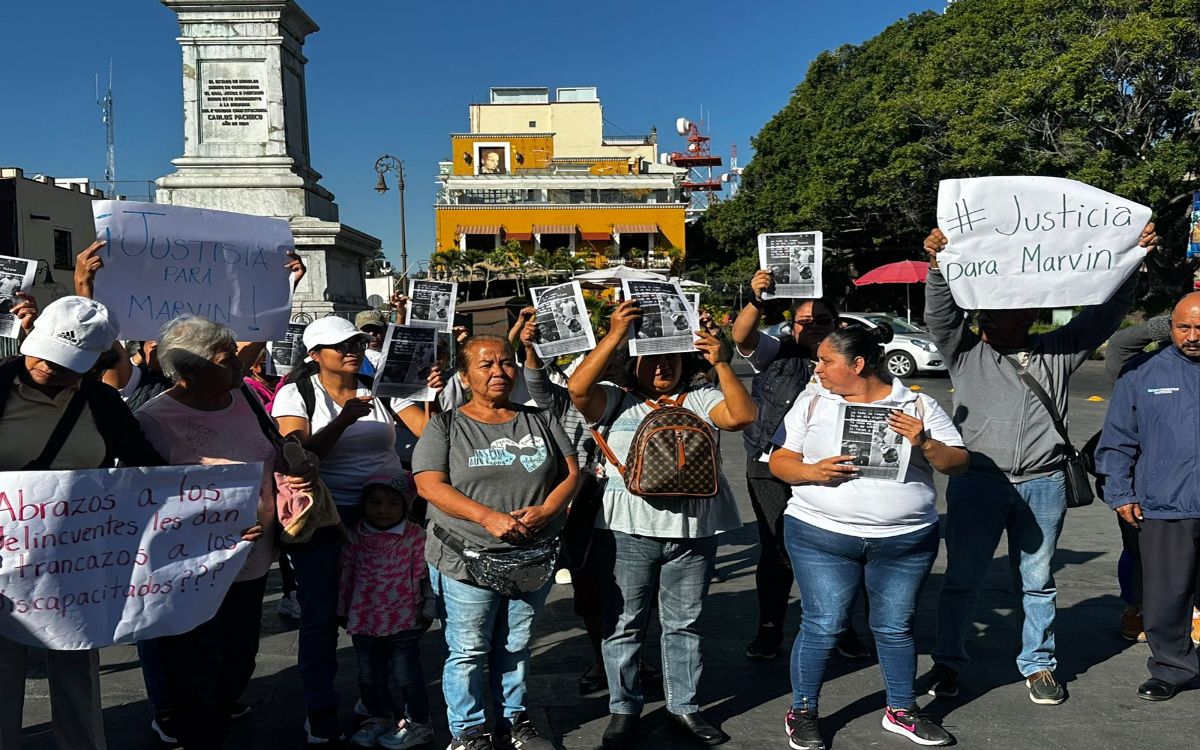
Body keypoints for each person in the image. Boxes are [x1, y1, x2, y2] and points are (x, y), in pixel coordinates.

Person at [921, 222, 1158, 705]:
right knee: (962, 580)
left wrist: (1133, 258)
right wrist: (938, 268)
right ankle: (948, 662)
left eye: (998, 309)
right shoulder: (966, 353)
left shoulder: (1060, 351)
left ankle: (1039, 664)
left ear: (1028, 312)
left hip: (1044, 484)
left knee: (1037, 581)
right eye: (983, 310)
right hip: (978, 483)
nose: (985, 316)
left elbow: (1106, 314)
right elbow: (940, 316)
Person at [768, 324, 967, 749]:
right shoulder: (812, 400)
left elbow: (958, 463)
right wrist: (812, 472)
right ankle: (802, 711)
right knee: (824, 623)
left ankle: (901, 710)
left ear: (857, 364)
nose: (818, 368)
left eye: (826, 361)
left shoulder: (917, 404)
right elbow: (780, 461)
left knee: (895, 627)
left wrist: (924, 442)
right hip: (820, 534)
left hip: (904, 541)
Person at [568, 300, 757, 749]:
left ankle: (684, 707)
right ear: (632, 362)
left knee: (684, 625)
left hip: (693, 533)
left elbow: (742, 416)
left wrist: (722, 363)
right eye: (651, 359)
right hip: (626, 530)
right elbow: (578, 390)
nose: (662, 367)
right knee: (623, 625)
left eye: (671, 358)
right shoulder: (615, 399)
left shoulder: (701, 398)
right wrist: (614, 334)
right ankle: (623, 709)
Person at [133, 315, 317, 748]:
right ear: (190, 370)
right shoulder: (152, 420)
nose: (238, 364)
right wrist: (210, 521)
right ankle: (195, 728)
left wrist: (297, 463)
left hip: (252, 562)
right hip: (192, 569)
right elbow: (142, 500)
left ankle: (213, 715)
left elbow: (274, 451)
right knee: (196, 667)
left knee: (240, 658)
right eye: (226, 359)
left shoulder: (245, 397)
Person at [0, 296, 165, 750]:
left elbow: (147, 468)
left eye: (66, 362)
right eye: (45, 353)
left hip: (73, 560)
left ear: (93, 364)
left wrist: (212, 502)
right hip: (2, 557)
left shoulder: (102, 402)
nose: (49, 367)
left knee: (75, 663)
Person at [272, 315, 442, 744]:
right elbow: (298, 454)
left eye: (356, 342)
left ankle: (375, 703)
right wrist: (343, 420)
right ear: (315, 355)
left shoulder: (380, 387)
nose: (352, 350)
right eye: (341, 345)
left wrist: (431, 396)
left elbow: (430, 432)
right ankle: (321, 708)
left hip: (384, 518)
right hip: (325, 519)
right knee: (320, 617)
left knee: (386, 613)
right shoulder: (296, 392)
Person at [413, 334, 579, 750]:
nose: (498, 371)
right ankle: (468, 731)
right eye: (485, 365)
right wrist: (487, 517)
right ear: (464, 376)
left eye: (505, 362)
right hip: (465, 557)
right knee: (468, 648)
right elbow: (430, 485)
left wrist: (548, 510)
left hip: (531, 557)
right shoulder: (446, 425)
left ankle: (514, 720)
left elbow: (571, 472)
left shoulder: (540, 419)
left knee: (517, 644)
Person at [732, 270, 871, 661]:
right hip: (770, 465)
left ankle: (841, 626)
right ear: (791, 326)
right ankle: (769, 629)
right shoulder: (776, 354)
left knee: (840, 545)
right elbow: (741, 337)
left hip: (832, 468)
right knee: (777, 550)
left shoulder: (854, 364)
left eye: (821, 321)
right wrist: (757, 299)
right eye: (803, 321)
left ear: (837, 325)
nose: (812, 327)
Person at [1095, 292, 1200, 701]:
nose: (1192, 336)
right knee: (1166, 595)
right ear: (1169, 326)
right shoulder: (1143, 371)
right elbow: (1117, 438)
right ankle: (1172, 668)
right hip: (1166, 501)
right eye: (1183, 327)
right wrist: (1121, 492)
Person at [338, 475, 437, 749]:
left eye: (393, 504)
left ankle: (419, 723)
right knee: (370, 675)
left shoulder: (415, 536)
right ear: (364, 504)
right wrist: (343, 609)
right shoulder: (354, 535)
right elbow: (345, 574)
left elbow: (427, 576)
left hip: (406, 619)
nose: (383, 510)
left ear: (406, 506)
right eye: (375, 502)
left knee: (407, 675)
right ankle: (379, 717)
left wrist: (428, 609)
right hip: (365, 619)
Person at [355, 309, 389, 376]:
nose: (372, 334)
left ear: (386, 330)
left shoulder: (395, 355)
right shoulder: (353, 358)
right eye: (366, 330)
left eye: (376, 329)